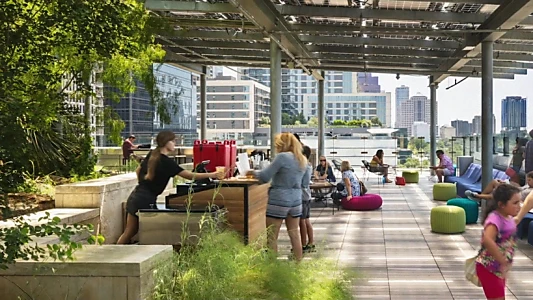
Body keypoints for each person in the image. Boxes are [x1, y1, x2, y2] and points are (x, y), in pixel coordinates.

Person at [117, 130, 224, 244]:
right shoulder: (167, 162)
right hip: (145, 200)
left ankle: (115, 254)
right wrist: (213, 175)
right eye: (173, 141)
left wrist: (144, 185)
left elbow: (138, 170)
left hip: (136, 196)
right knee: (151, 232)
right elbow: (189, 175)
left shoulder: (153, 154)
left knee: (129, 232)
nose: (175, 144)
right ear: (166, 142)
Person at [247, 133, 309, 261]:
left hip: (279, 199)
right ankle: (298, 266)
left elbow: (264, 177)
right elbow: (305, 183)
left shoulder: (282, 157)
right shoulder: (302, 159)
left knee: (272, 236)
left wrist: (252, 172)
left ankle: (273, 267)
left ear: (282, 145)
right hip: (296, 200)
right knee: (294, 234)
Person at [476, 184, 522, 300]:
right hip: (489, 268)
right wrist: (501, 259)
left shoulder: (508, 217)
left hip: (499, 268)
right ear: (501, 204)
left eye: (520, 202)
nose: (519, 206)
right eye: (515, 203)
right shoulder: (495, 219)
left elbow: (512, 225)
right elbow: (487, 239)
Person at [465, 171, 533, 203]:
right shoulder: (527, 186)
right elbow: (519, 188)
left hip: (515, 198)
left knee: (499, 194)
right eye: (527, 180)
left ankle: (477, 196)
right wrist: (505, 183)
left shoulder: (531, 191)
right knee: (495, 182)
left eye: (529, 180)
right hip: (514, 193)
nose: (528, 182)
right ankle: (480, 197)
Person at [299, 145, 315, 253]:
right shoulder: (309, 166)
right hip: (307, 195)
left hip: (302, 196)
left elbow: (303, 183)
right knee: (306, 220)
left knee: (302, 221)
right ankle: (310, 242)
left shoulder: (304, 167)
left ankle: (303, 244)